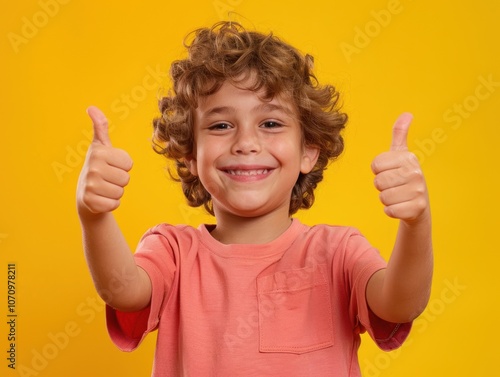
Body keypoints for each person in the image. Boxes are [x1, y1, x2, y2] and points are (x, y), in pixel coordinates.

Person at [76, 21, 433, 376]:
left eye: (271, 124)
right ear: (190, 156)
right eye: (220, 125)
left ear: (308, 151)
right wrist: (94, 216)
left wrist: (416, 223)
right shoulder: (172, 251)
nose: (246, 142)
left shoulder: (338, 251)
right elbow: (123, 291)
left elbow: (399, 305)